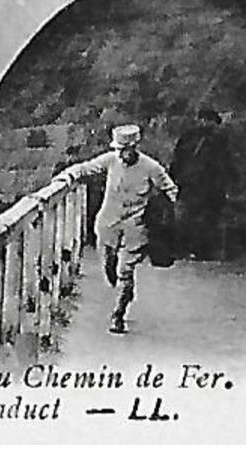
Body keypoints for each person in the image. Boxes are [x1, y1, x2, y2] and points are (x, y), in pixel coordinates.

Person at [53, 124, 179, 335]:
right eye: (118, 149)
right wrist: (66, 176)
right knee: (108, 263)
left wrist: (166, 211)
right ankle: (118, 282)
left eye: (125, 150)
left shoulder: (151, 167)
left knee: (125, 270)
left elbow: (170, 188)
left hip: (135, 225)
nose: (121, 154)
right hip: (108, 222)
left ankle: (118, 314)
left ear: (134, 147)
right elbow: (85, 168)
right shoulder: (110, 160)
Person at [169, 108, 233, 260]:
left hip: (206, 186)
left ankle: (199, 250)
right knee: (190, 217)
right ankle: (189, 249)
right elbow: (178, 160)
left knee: (203, 218)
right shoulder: (190, 137)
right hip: (193, 185)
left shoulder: (217, 140)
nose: (206, 123)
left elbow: (223, 165)